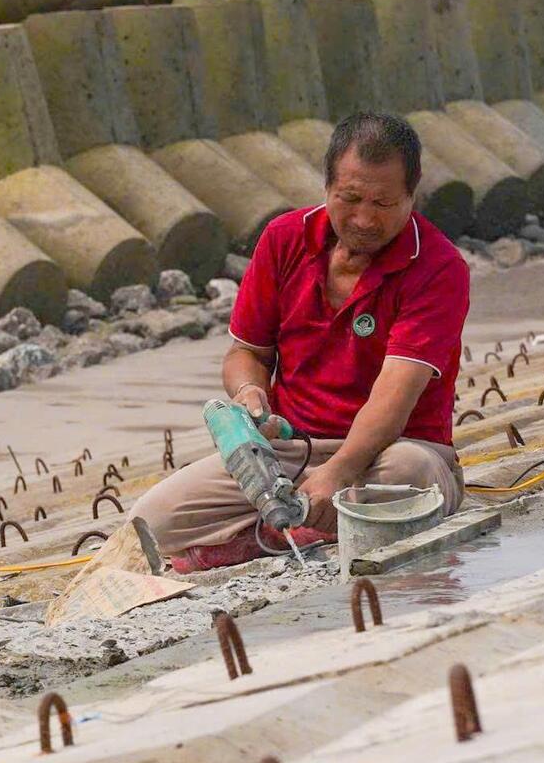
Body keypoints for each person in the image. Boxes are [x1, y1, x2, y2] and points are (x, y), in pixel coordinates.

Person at [131, 112, 471, 572]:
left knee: (408, 477)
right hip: (292, 451)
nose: (365, 219)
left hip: (394, 449)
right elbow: (247, 353)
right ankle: (295, 526)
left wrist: (340, 470)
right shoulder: (284, 240)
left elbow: (394, 396)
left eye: (384, 203)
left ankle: (270, 533)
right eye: (350, 199)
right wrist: (252, 395)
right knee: (153, 522)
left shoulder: (438, 267)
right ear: (327, 185)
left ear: (413, 194)